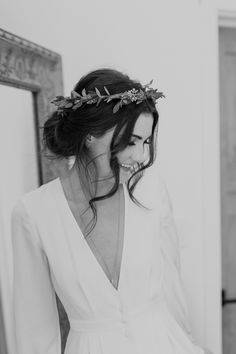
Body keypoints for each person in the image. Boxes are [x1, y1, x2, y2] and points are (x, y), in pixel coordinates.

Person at [11, 68, 211, 354]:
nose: (141, 157)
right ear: (90, 134)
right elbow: (34, 335)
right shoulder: (33, 214)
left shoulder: (151, 192)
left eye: (145, 142)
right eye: (131, 142)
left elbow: (172, 291)